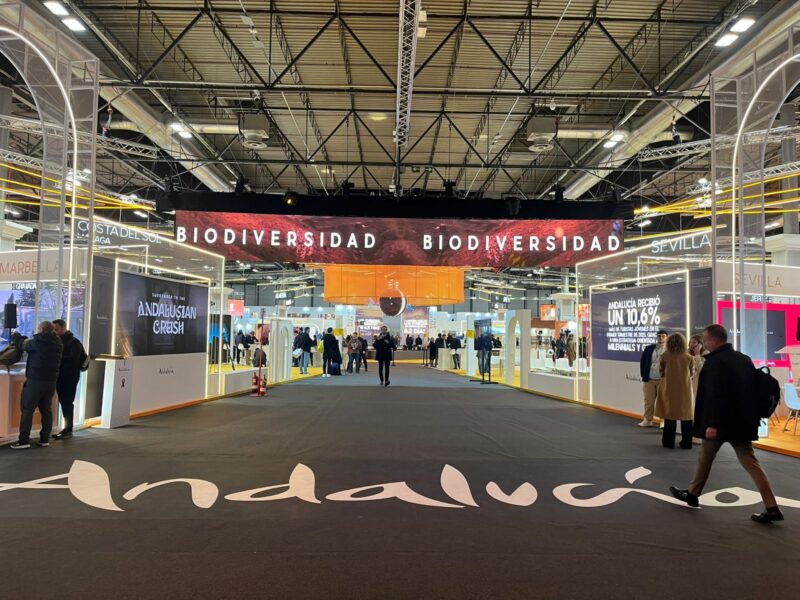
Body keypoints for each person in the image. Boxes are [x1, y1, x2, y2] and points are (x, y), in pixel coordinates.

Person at [670, 324, 783, 523]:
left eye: (705, 339)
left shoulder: (716, 363)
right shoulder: (743, 359)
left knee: (706, 455)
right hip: (742, 423)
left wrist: (713, 424)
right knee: (749, 461)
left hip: (723, 424)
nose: (704, 343)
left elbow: (717, 396)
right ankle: (771, 506)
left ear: (714, 340)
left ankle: (692, 494)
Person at [11, 321, 63, 449]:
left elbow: (22, 345)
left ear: (43, 329)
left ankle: (24, 441)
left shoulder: (39, 341)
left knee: (27, 411)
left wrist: (15, 335)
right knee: (46, 410)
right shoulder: (58, 343)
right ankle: (44, 439)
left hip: (36, 380)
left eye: (38, 328)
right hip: (51, 381)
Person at [655, 333, 694, 449]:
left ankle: (668, 442)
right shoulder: (688, 357)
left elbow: (661, 371)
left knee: (669, 417)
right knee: (686, 417)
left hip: (668, 388)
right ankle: (687, 443)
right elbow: (692, 372)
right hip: (685, 390)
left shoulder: (665, 355)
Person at [52, 319, 88, 440]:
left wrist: (56, 357)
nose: (54, 332)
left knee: (66, 402)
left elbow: (73, 359)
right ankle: (67, 429)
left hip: (69, 377)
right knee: (64, 402)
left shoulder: (73, 342)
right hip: (62, 376)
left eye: (56, 329)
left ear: (63, 328)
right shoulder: (59, 341)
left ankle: (68, 429)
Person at [638, 329, 668, 427]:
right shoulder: (649, 348)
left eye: (663, 336)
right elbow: (643, 362)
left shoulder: (669, 350)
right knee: (648, 401)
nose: (661, 338)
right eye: (659, 336)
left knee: (663, 402)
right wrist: (644, 375)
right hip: (649, 379)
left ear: (666, 337)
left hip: (663, 380)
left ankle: (663, 421)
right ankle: (648, 419)